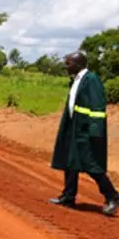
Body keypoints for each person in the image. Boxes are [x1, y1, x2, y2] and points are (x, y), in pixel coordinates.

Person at [48, 51, 119, 216]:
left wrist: (95, 131)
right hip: (74, 127)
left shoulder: (91, 80)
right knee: (70, 162)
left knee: (91, 164)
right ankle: (68, 196)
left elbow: (97, 107)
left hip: (86, 130)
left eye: (68, 63)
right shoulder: (76, 80)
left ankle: (112, 195)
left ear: (78, 64)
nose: (66, 66)